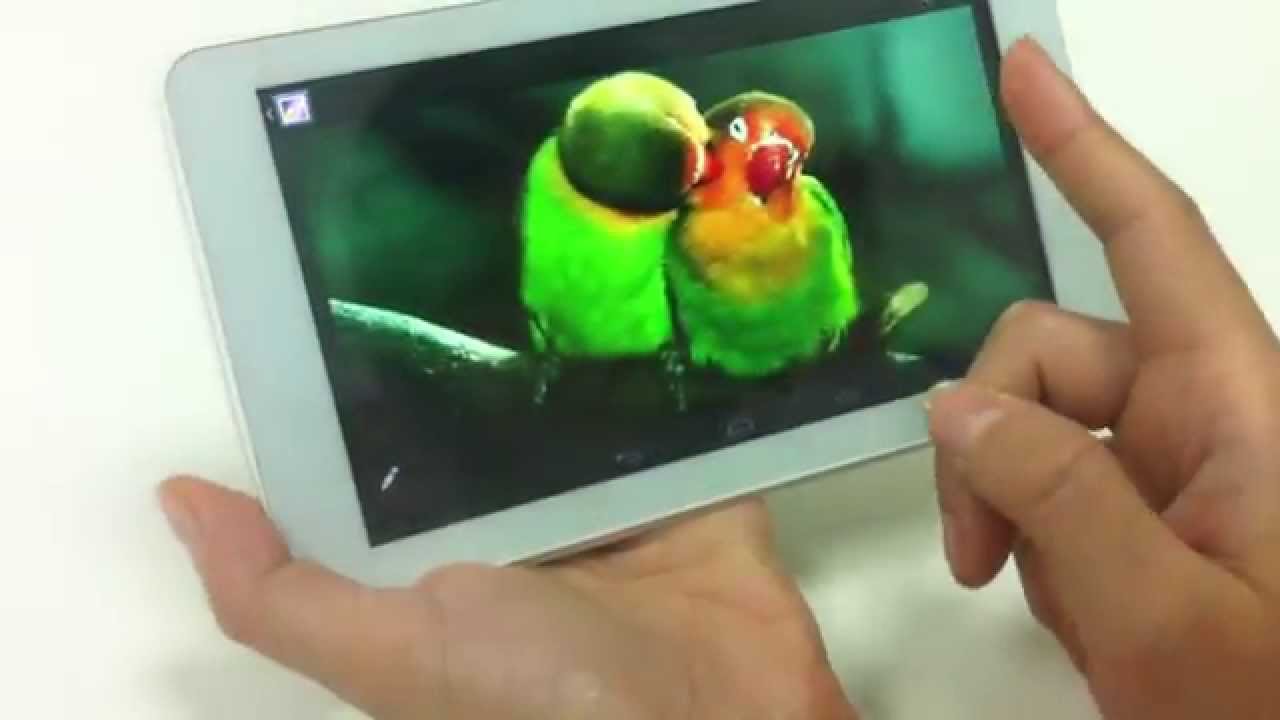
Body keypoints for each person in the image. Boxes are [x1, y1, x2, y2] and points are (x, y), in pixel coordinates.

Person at [157, 37, 1280, 720]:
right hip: (690, 366)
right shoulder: (674, 229)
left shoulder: (808, 210)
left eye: (781, 152)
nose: (763, 161)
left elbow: (834, 285)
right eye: (748, 140)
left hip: (815, 346)